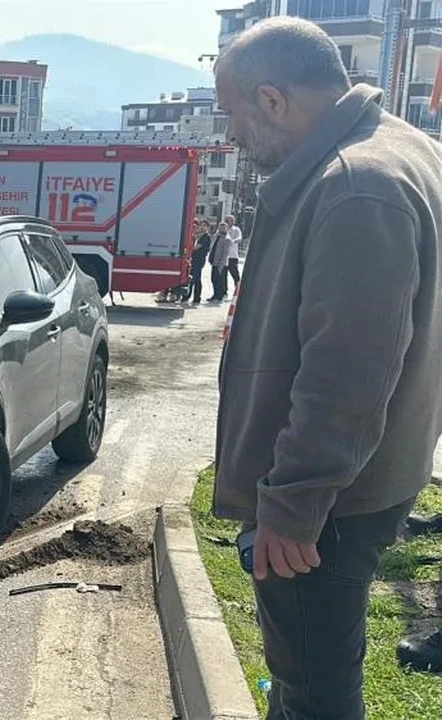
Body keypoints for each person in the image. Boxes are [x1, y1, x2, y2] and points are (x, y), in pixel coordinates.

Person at [213, 17, 442, 718]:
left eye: (234, 116)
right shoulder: (404, 147)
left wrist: (293, 504)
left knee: (314, 691)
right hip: (371, 478)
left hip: (328, 505)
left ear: (273, 101)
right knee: (309, 680)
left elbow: (347, 373)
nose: (232, 139)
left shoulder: (354, 185)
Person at [189, 220, 213, 304]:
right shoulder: (199, 236)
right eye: (201, 225)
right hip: (194, 259)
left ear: (207, 227)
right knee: (192, 278)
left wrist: (188, 249)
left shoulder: (206, 237)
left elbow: (196, 248)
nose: (202, 227)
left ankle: (197, 297)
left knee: (197, 278)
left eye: (204, 226)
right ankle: (188, 296)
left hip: (199, 260)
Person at [208, 222, 231, 301]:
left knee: (219, 280)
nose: (222, 229)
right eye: (220, 228)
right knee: (213, 279)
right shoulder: (217, 237)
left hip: (221, 264)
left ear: (227, 229)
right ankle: (215, 294)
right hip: (214, 262)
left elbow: (225, 254)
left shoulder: (227, 239)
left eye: (224, 228)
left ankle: (219, 296)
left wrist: (220, 266)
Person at [225, 214, 243, 289]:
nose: (230, 221)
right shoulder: (223, 229)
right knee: (223, 275)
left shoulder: (236, 229)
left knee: (234, 273)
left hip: (233, 255)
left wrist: (233, 241)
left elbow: (240, 238)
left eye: (232, 220)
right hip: (224, 256)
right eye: (228, 220)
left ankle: (238, 288)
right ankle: (224, 291)